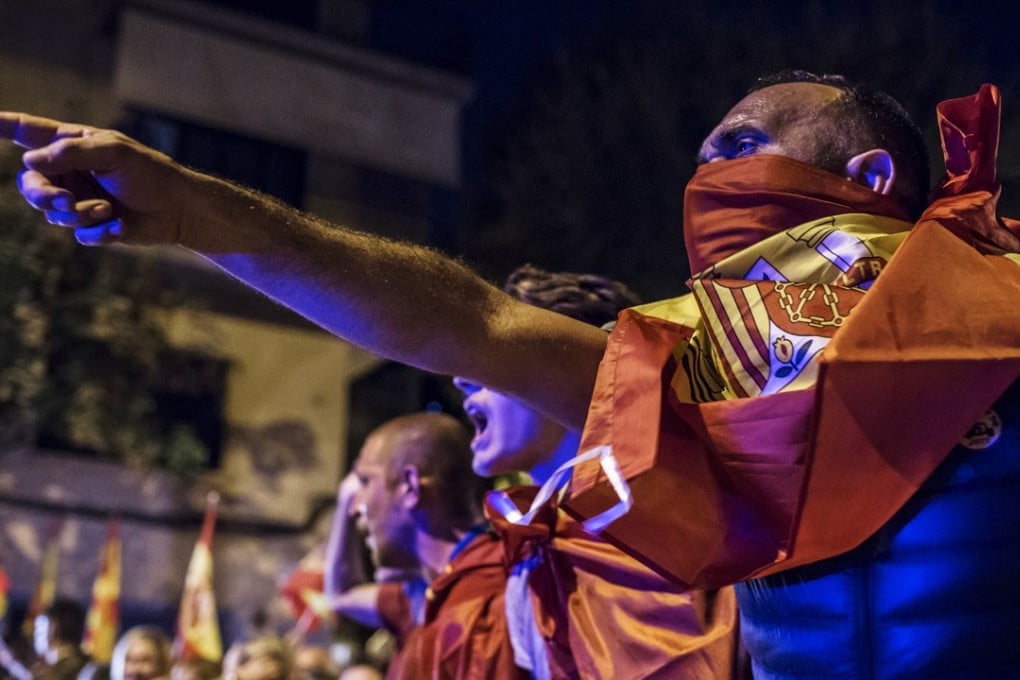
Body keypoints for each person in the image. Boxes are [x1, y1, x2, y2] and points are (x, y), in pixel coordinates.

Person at [4, 70, 1019, 675]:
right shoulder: (696, 359)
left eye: (740, 148)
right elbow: (466, 320)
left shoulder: (1003, 298)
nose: (707, 181)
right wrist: (199, 215)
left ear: (868, 179)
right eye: (701, 162)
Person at [454, 264, 740, 679]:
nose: (463, 378)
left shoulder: (676, 516)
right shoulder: (530, 551)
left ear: (563, 366)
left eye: (495, 360)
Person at [322, 413, 525, 679]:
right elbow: (340, 595)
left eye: (365, 482)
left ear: (410, 487)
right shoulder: (427, 596)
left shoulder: (482, 599)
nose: (356, 505)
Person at [31, 599, 90, 680]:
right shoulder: (88, 664)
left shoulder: (69, 666)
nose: (36, 632)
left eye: (43, 625)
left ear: (55, 626)